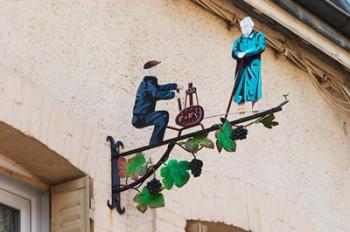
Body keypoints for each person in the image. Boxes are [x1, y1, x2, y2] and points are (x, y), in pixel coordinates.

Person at [132, 60, 181, 145]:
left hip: (141, 116)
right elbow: (156, 94)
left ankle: (155, 142)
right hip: (141, 117)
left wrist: (174, 86)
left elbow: (159, 88)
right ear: (150, 70)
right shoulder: (148, 83)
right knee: (162, 116)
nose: (158, 70)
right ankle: (155, 143)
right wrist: (173, 94)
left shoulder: (149, 81)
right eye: (156, 68)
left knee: (161, 116)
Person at [231, 16, 266, 112]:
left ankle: (255, 110)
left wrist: (246, 52)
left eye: (246, 27)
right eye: (242, 27)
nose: (244, 29)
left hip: (253, 66)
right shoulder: (238, 40)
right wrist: (238, 54)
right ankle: (241, 110)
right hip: (241, 67)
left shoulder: (258, 36)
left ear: (251, 26)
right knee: (240, 86)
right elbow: (234, 52)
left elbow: (260, 47)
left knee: (253, 86)